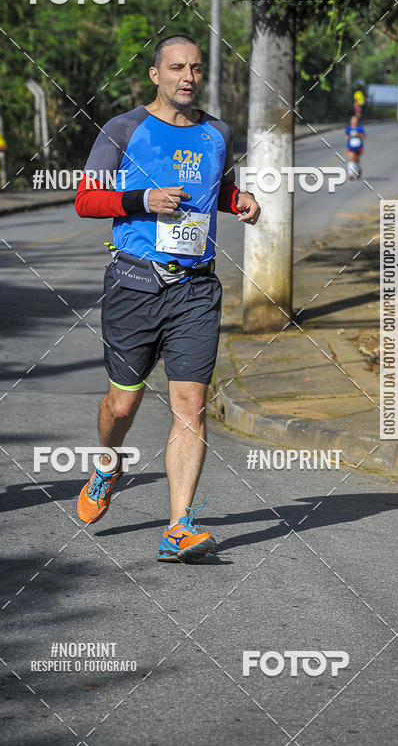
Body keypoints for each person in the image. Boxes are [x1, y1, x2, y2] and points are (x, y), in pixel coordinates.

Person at [74, 34, 260, 562]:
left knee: (191, 406)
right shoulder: (123, 129)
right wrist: (143, 199)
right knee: (123, 404)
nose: (188, 77)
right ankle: (108, 463)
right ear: (155, 74)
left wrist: (240, 200)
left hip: (196, 288)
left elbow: (217, 189)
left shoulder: (217, 132)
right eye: (177, 68)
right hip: (134, 284)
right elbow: (86, 198)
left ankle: (179, 526)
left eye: (195, 68)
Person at [345, 114, 366, 179]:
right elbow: (346, 136)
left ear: (357, 121)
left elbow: (364, 136)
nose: (354, 121)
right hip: (350, 147)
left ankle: (358, 170)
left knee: (356, 161)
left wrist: (357, 135)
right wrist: (348, 137)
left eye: (355, 120)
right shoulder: (349, 128)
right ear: (351, 121)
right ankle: (351, 174)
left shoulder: (360, 128)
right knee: (351, 159)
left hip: (358, 147)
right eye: (353, 120)